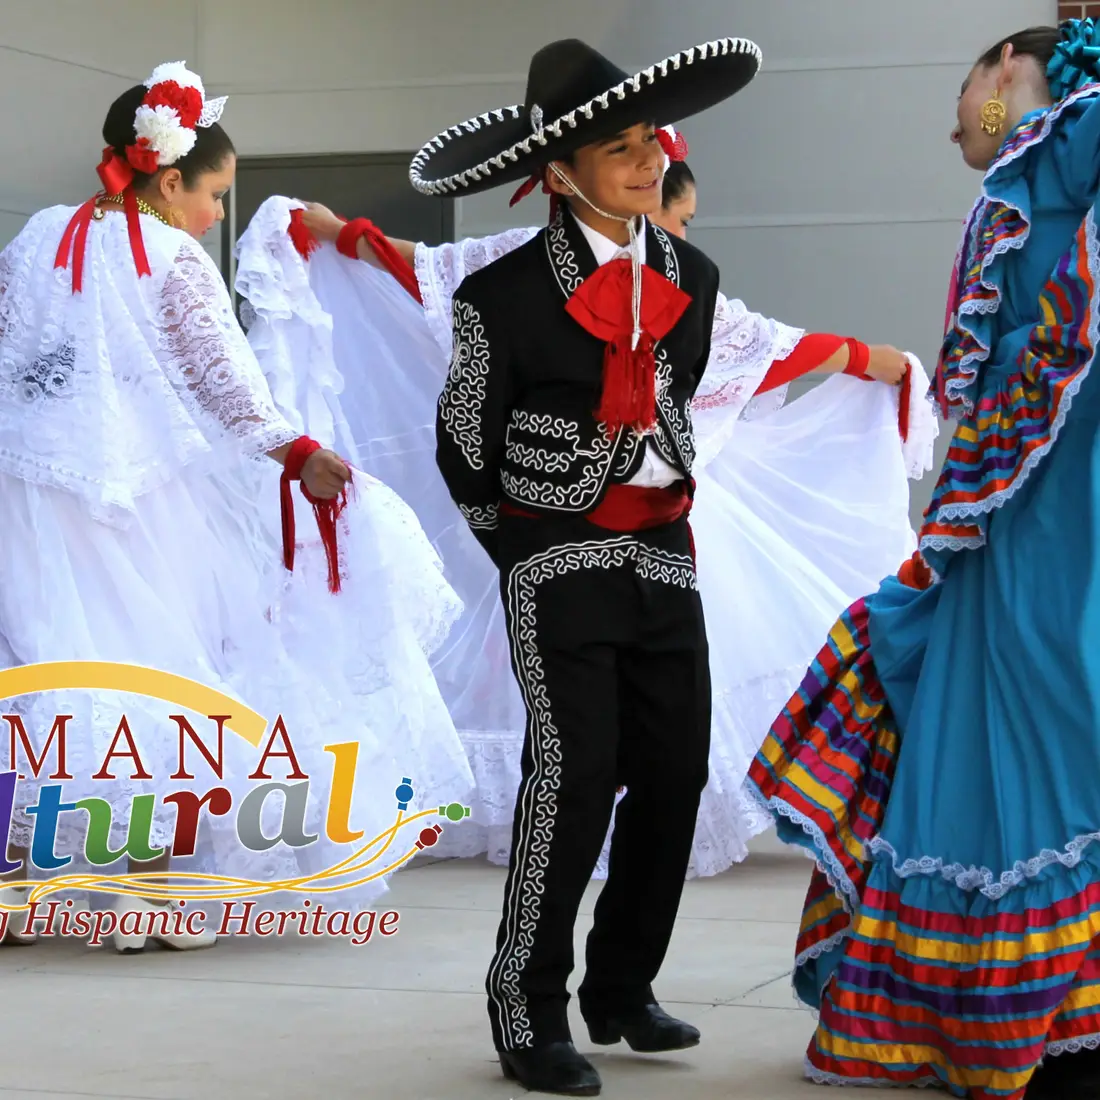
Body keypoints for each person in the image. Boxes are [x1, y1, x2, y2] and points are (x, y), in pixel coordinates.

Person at [294, 129, 932, 881]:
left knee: (661, 709)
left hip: (657, 526)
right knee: (567, 712)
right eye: (676, 212)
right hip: (551, 529)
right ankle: (544, 930)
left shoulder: (683, 282)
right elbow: (424, 274)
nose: (672, 218)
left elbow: (762, 347)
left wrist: (866, 360)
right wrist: (342, 235)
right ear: (571, 177)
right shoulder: (514, 271)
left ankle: (623, 932)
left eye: (677, 209)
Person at [0, 62, 468, 953]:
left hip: (27, 490)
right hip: (138, 499)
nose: (216, 212)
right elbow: (224, 378)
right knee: (160, 674)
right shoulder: (170, 254)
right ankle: (146, 897)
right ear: (167, 178)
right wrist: (295, 452)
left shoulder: (37, 237)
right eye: (214, 192)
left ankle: (22, 889)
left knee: (43, 667)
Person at [745, 19, 1100, 1100]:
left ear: (1001, 70)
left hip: (1042, 524)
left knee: (1040, 733)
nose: (947, 118)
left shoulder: (1055, 154)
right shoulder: (1033, 177)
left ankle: (1040, 1020)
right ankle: (1041, 1018)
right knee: (1007, 739)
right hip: (1013, 524)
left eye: (957, 90)